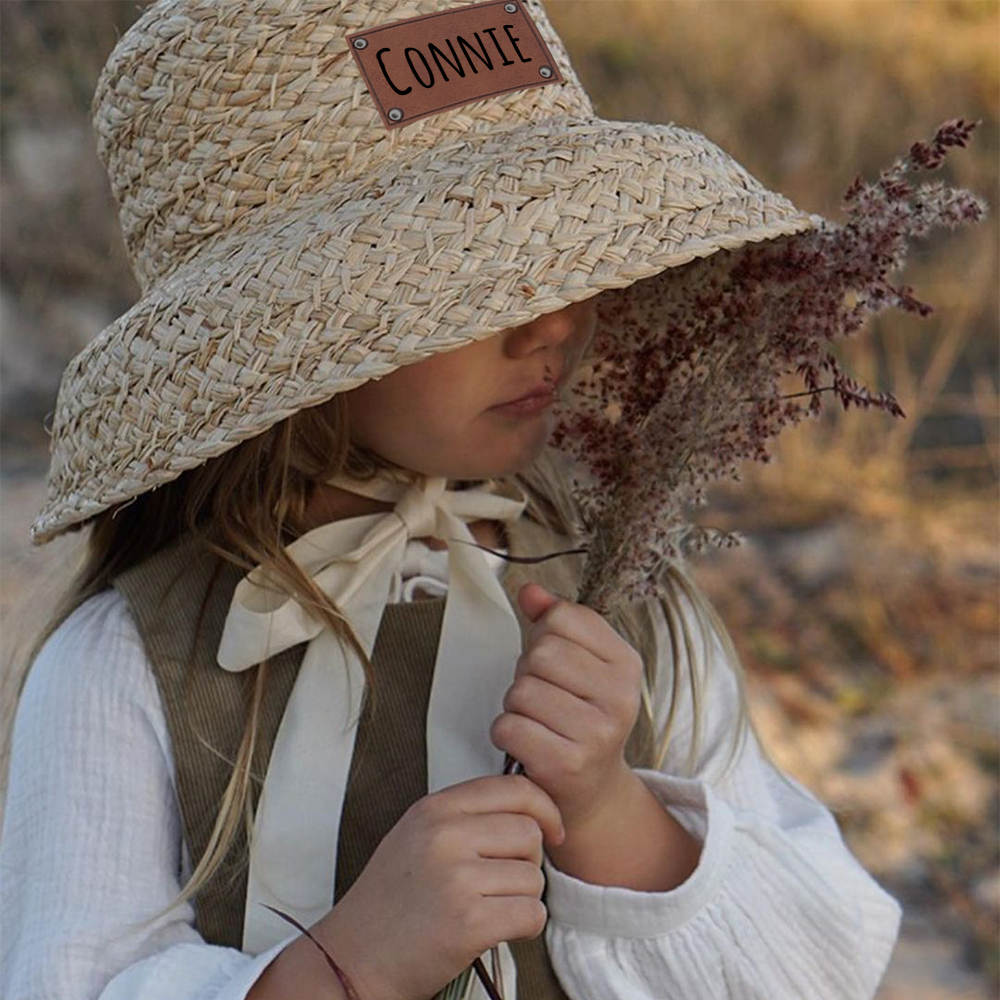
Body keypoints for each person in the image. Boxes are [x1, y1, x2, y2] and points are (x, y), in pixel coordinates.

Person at [0, 1, 903, 998]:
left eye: (570, 261)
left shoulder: (629, 606)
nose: (551, 321)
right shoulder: (132, 660)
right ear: (300, 329)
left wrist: (612, 815)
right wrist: (344, 967)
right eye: (471, 286)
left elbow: (818, 968)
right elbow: (66, 977)